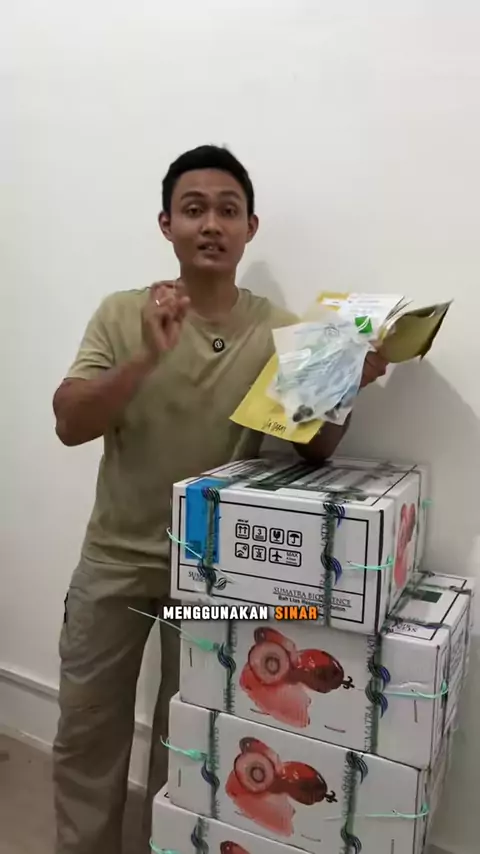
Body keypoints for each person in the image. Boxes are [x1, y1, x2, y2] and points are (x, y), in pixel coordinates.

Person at [51, 144, 387, 854]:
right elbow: (70, 423)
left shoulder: (280, 330)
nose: (211, 224)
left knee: (192, 735)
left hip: (214, 576)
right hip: (115, 562)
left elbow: (312, 450)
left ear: (249, 228)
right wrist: (146, 356)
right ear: (166, 224)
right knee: (88, 730)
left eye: (228, 211)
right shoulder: (123, 314)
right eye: (194, 209)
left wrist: (345, 380)